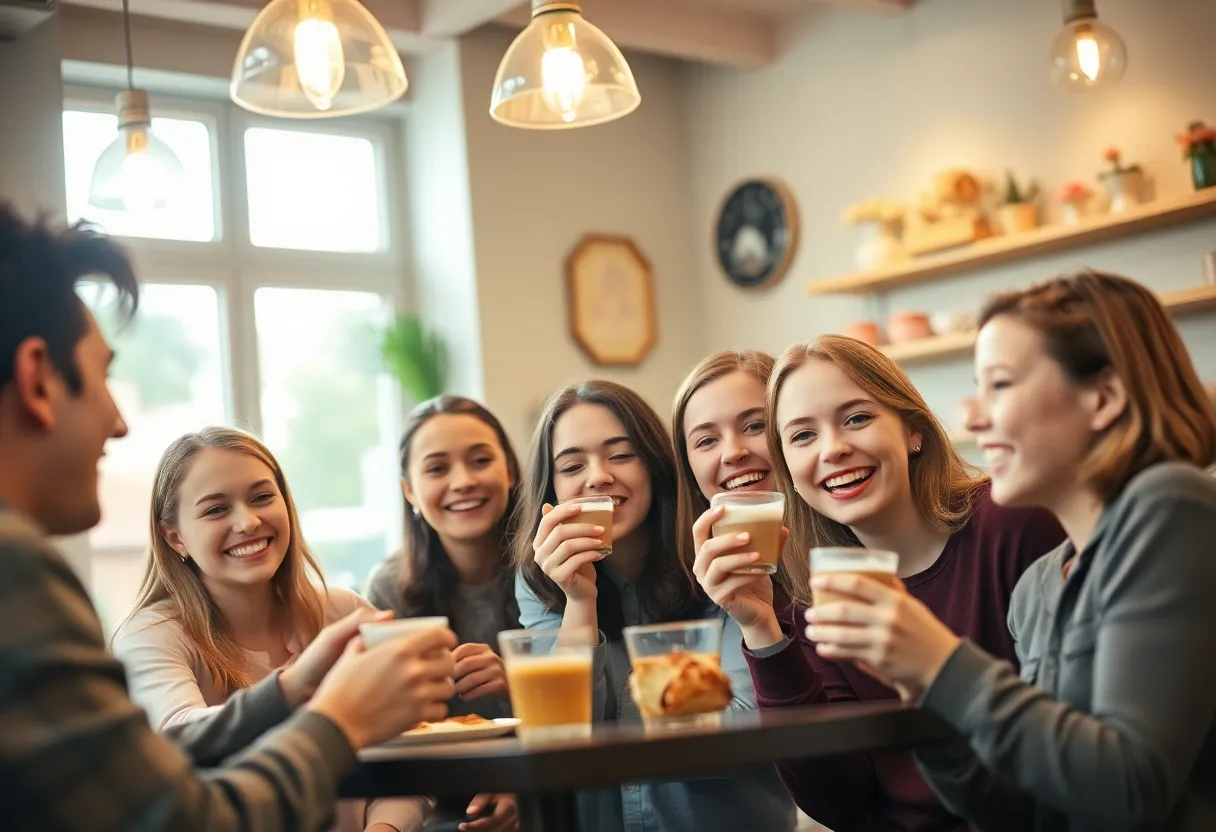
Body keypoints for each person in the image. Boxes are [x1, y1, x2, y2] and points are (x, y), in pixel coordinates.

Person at [0, 202, 456, 830]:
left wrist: (294, 689)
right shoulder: (18, 570)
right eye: (102, 376)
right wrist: (340, 718)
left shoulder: (337, 608)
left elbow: (151, 765)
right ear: (37, 381)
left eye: (263, 497)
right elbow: (183, 815)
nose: (119, 420)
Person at [806, 271, 1216, 830]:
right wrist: (926, 693)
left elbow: (1131, 788)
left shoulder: (1170, 508)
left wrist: (943, 662)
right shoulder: (1039, 585)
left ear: (1105, 397)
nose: (973, 417)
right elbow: (1021, 809)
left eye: (999, 385)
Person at [692, 335, 1064, 831]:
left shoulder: (1012, 525)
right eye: (802, 436)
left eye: (857, 418)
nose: (834, 448)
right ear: (788, 470)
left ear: (912, 428)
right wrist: (761, 630)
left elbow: (1069, 752)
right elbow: (839, 802)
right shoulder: (809, 597)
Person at [114, 427, 434, 832]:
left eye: (262, 497)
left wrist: (386, 828)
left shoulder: (344, 609)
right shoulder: (152, 634)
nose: (248, 522)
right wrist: (295, 685)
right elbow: (179, 739)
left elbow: (409, 749)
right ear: (174, 536)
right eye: (216, 509)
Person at [512, 380, 796, 832]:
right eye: (572, 465)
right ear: (552, 490)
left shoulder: (719, 557)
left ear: (657, 464)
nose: (598, 476)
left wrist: (621, 720)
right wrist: (579, 604)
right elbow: (559, 738)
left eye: (621, 454)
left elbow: (741, 729)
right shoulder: (540, 579)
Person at [368, 395, 522, 832]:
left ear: (509, 470)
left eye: (480, 460)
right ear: (409, 490)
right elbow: (386, 735)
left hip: (552, 793)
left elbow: (597, 711)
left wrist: (527, 784)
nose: (462, 481)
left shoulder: (553, 572)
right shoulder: (388, 589)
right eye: (437, 468)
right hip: (433, 813)